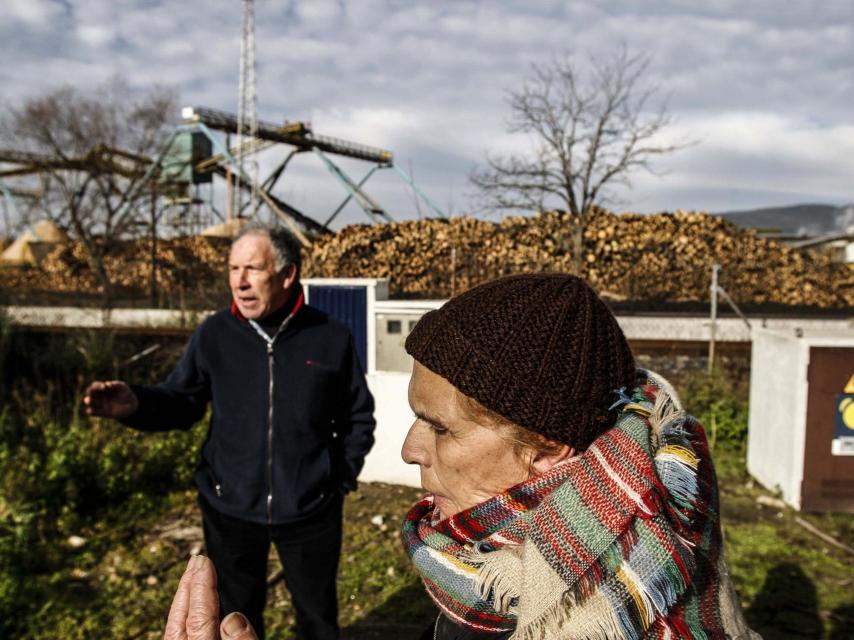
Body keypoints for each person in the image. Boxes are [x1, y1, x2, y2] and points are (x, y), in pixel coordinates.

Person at [164, 273, 757, 639]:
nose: (409, 448)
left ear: (546, 454)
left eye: (440, 428)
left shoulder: (602, 617)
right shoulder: (504, 566)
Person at [85, 224, 376, 640]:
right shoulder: (214, 334)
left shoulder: (329, 336)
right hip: (230, 510)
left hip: (311, 509)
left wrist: (338, 477)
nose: (239, 281)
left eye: (253, 269)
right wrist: (139, 404)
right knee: (236, 619)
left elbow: (357, 415)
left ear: (287, 274)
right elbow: (181, 401)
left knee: (317, 619)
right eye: (233, 268)